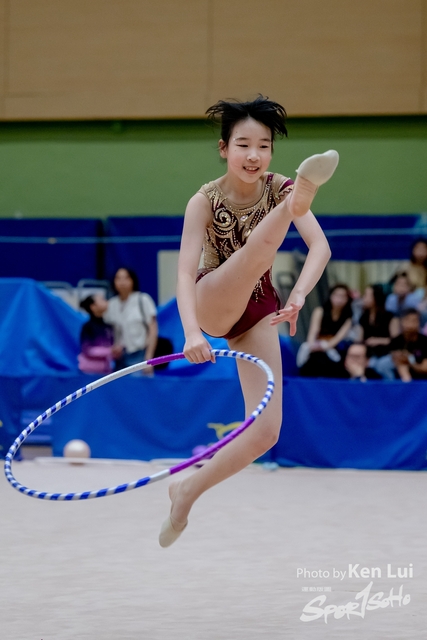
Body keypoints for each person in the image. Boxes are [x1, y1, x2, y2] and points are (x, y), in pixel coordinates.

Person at [158, 95, 338, 547]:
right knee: (254, 255)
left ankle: (186, 491)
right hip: (213, 298)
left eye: (263, 146)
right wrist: (191, 332)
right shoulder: (203, 200)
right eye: (243, 145)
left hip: (259, 311)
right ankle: (295, 206)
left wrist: (298, 295)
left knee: (264, 434)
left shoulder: (277, 186)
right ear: (224, 149)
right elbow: (183, 273)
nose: (254, 155)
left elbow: (321, 248)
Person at [103, 267, 158, 374]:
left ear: (133, 280)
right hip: (119, 358)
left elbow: (153, 329)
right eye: (118, 278)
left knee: (139, 383)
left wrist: (149, 358)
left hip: (139, 354)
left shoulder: (143, 299)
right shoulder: (112, 304)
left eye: (126, 278)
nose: (122, 282)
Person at [297, 284, 353, 378]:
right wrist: (313, 345)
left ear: (347, 299)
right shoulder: (320, 311)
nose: (339, 299)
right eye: (336, 295)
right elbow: (313, 332)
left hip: (333, 349)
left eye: (343, 296)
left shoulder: (348, 318)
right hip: (316, 347)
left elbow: (338, 338)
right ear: (331, 296)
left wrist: (325, 346)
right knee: (313, 361)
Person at [358, 284, 399, 359]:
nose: (364, 298)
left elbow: (397, 340)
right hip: (367, 353)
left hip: (386, 352)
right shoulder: (363, 317)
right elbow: (360, 339)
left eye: (366, 295)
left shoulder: (390, 317)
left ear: (376, 297)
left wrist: (378, 340)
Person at [78, 295, 114, 374]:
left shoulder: (108, 326)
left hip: (105, 370)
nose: (106, 302)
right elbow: (87, 350)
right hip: (89, 371)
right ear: (93, 307)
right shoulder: (88, 327)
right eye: (102, 300)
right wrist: (110, 351)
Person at [389, 309, 427, 381]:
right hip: (398, 374)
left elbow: (425, 368)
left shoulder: (424, 341)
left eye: (414, 321)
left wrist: (409, 360)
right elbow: (396, 359)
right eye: (407, 320)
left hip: (422, 378)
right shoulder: (396, 341)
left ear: (419, 323)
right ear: (402, 322)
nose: (410, 324)